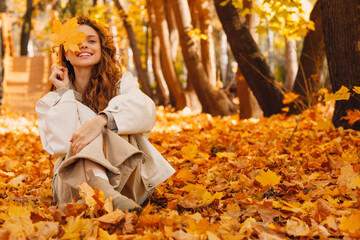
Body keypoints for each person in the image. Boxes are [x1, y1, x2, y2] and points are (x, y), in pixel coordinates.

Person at [36, 16, 175, 212]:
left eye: (91, 41)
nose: (84, 45)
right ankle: (107, 195)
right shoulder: (53, 100)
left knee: (100, 128)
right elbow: (61, 143)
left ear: (101, 49)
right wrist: (65, 94)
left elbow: (145, 109)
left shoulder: (122, 83)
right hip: (74, 187)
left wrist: (102, 120)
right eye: (76, 41)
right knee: (86, 136)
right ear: (66, 53)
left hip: (126, 180)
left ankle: (104, 197)